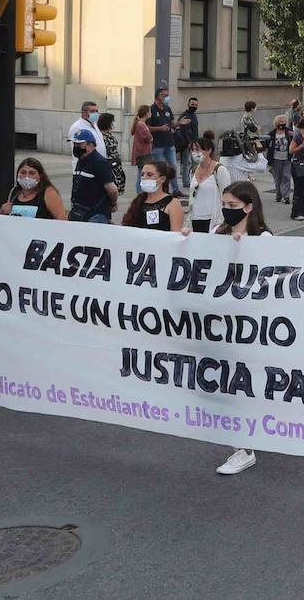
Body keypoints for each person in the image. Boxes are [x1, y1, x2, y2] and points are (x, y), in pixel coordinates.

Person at [191, 181, 273, 475]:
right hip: (218, 321)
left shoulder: (263, 238)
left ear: (249, 207)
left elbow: (269, 281)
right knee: (226, 383)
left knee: (239, 385)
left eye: (233, 206)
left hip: (249, 323)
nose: (227, 211)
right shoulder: (217, 233)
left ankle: (244, 448)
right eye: (224, 205)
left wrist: (246, 254)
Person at [70, 128, 118, 224]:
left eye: (79, 144)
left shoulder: (99, 162)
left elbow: (112, 189)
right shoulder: (81, 160)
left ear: (91, 144)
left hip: (95, 215)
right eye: (74, 144)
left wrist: (112, 204)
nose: (76, 146)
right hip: (80, 213)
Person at [121, 161, 183, 232]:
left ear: (162, 179)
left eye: (149, 175)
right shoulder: (138, 200)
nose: (144, 178)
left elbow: (176, 233)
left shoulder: (173, 203)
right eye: (142, 174)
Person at [186, 136, 231, 232]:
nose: (195, 153)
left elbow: (227, 195)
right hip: (196, 217)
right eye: (192, 150)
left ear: (209, 150)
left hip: (213, 218)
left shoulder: (219, 170)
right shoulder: (194, 170)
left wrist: (225, 220)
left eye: (198, 149)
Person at [0, 158, 66, 220]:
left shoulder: (49, 193)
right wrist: (3, 211)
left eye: (32, 173)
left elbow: (61, 219)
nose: (27, 177)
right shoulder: (14, 191)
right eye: (23, 172)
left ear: (40, 176)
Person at [145, 88, 180, 195]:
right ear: (158, 96)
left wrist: (180, 123)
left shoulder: (167, 108)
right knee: (159, 169)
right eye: (163, 95)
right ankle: (160, 190)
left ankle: (176, 190)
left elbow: (172, 124)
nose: (166, 97)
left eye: (167, 95)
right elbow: (146, 127)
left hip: (169, 143)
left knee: (173, 166)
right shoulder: (152, 110)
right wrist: (159, 128)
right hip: (158, 144)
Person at [67, 101, 107, 167]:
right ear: (84, 112)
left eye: (97, 111)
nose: (96, 113)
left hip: (99, 165)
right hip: (86, 168)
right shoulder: (77, 127)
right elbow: (78, 151)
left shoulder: (94, 125)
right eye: (92, 111)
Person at [174, 97, 199, 191]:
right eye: (192, 104)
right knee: (187, 163)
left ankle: (192, 180)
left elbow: (195, 130)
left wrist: (196, 142)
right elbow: (182, 131)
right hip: (186, 143)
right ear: (188, 104)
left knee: (194, 162)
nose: (194, 106)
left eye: (196, 105)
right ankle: (186, 182)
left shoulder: (194, 116)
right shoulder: (184, 116)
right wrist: (189, 142)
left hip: (193, 143)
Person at [97, 112, 125, 195]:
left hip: (116, 167)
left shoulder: (109, 135)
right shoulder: (101, 137)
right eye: (113, 121)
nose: (114, 123)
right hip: (109, 168)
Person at [267, 115, 293, 203]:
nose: (282, 124)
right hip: (275, 158)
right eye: (280, 122)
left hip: (287, 158)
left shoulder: (289, 132)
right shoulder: (272, 134)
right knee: (277, 177)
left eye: (283, 122)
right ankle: (279, 194)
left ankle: (286, 196)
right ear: (276, 123)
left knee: (286, 176)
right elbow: (267, 145)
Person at [130, 105, 153, 170]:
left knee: (142, 172)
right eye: (150, 112)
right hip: (143, 152)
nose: (151, 113)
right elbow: (149, 137)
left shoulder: (141, 123)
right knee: (143, 173)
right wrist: (150, 138)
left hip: (143, 151)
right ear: (146, 113)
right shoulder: (141, 124)